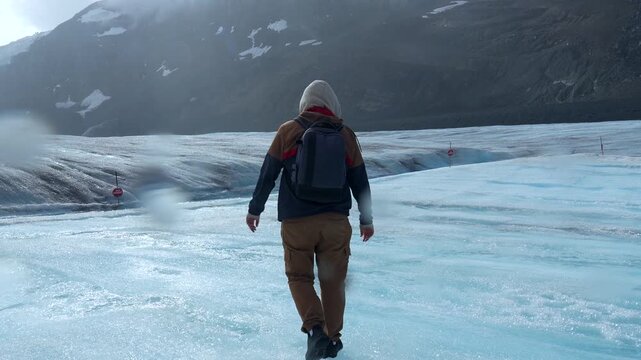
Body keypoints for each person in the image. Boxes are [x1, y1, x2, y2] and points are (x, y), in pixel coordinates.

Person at [246, 80, 374, 359]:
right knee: (333, 281)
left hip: (297, 222)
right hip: (335, 223)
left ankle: (316, 330)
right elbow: (359, 180)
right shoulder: (345, 135)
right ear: (333, 105)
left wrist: (255, 208)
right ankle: (332, 339)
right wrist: (367, 218)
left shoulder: (288, 131)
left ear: (305, 103)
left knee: (299, 276)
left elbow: (268, 173)